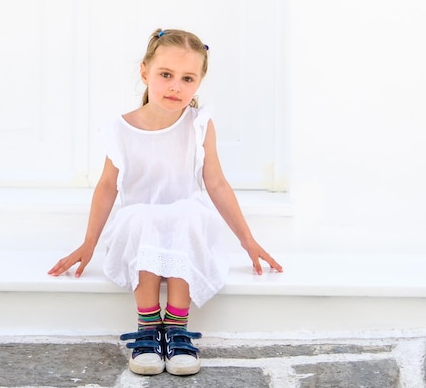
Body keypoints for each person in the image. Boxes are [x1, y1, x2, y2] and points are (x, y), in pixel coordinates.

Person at [48, 28, 283, 376]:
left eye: (187, 78)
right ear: (145, 72)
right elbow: (107, 187)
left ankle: (176, 328)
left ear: (199, 82)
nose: (176, 86)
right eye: (166, 75)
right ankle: (147, 328)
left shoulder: (199, 124)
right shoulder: (121, 129)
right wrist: (88, 244)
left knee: (186, 214)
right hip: (138, 228)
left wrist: (248, 241)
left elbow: (215, 183)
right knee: (143, 216)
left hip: (185, 228)